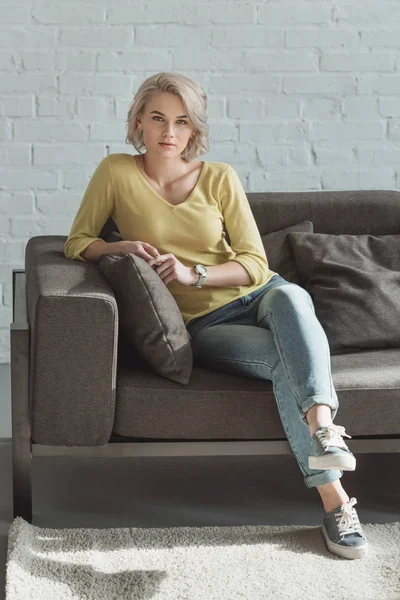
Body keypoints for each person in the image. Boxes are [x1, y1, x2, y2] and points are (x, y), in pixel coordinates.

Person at [64, 71, 368, 560]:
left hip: (258, 294)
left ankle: (325, 429)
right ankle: (336, 501)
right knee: (279, 362)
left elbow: (255, 264)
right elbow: (77, 242)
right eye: (158, 118)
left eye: (181, 122)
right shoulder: (115, 172)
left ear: (194, 129)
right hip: (208, 326)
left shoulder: (219, 176)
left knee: (292, 298)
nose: (169, 132)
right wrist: (122, 248)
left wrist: (193, 275)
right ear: (138, 120)